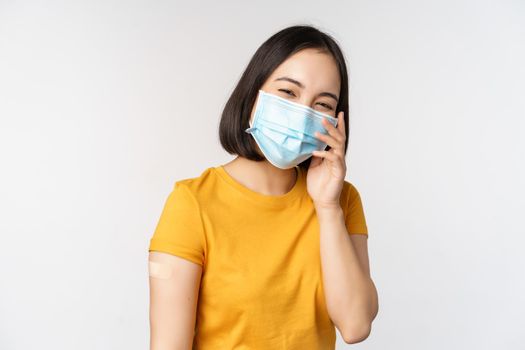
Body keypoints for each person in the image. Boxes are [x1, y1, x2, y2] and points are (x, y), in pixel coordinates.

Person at [148, 24, 379, 350]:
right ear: (253, 94)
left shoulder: (343, 201)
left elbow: (355, 326)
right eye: (288, 93)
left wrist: (327, 208)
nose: (303, 113)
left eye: (323, 104)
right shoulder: (192, 204)